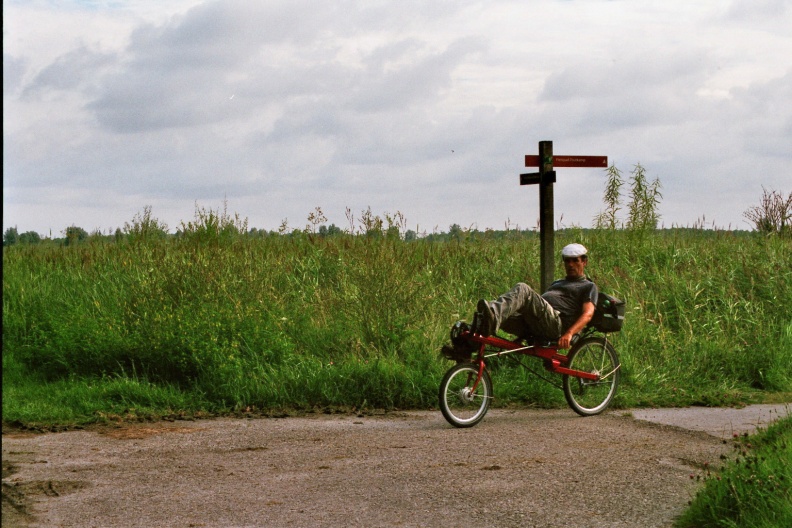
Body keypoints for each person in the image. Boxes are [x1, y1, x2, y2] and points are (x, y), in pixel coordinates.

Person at [475, 243, 598, 349]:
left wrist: (570, 333)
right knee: (487, 312)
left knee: (523, 289)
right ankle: (468, 344)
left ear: (584, 262)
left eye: (575, 260)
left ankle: (493, 317)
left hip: (556, 324)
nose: (570, 264)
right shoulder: (557, 283)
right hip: (536, 322)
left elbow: (588, 314)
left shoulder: (588, 286)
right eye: (567, 260)